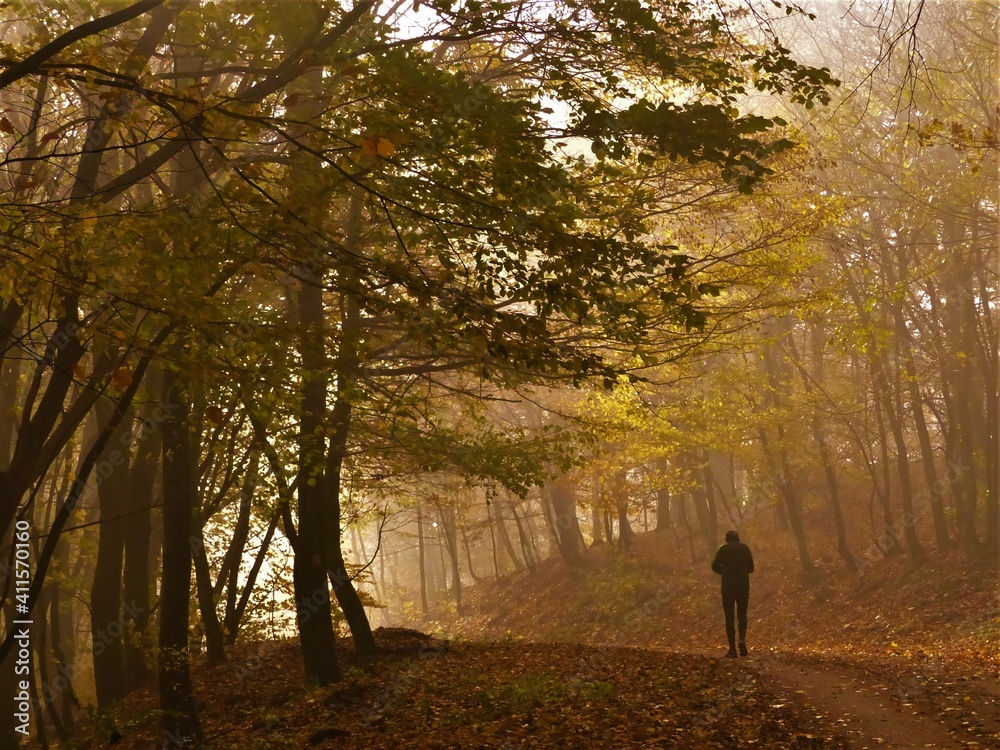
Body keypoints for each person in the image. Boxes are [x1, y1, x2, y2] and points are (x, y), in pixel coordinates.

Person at [711, 530, 754, 658]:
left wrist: (724, 572)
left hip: (728, 587)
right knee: (742, 614)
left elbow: (713, 566)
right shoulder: (745, 548)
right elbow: (751, 568)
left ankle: (732, 649)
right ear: (738, 538)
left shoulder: (722, 549)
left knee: (729, 616)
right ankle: (741, 639)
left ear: (726, 539)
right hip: (743, 586)